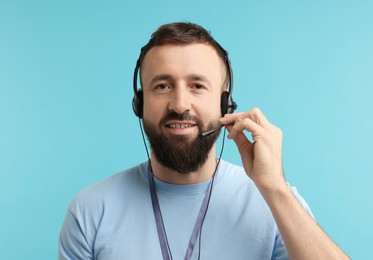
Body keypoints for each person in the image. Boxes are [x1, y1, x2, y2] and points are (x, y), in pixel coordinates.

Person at [58, 22, 349, 260]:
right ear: (139, 102)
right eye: (162, 86)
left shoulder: (274, 204)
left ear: (225, 104)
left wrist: (275, 189)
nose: (180, 104)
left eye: (197, 86)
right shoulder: (91, 210)